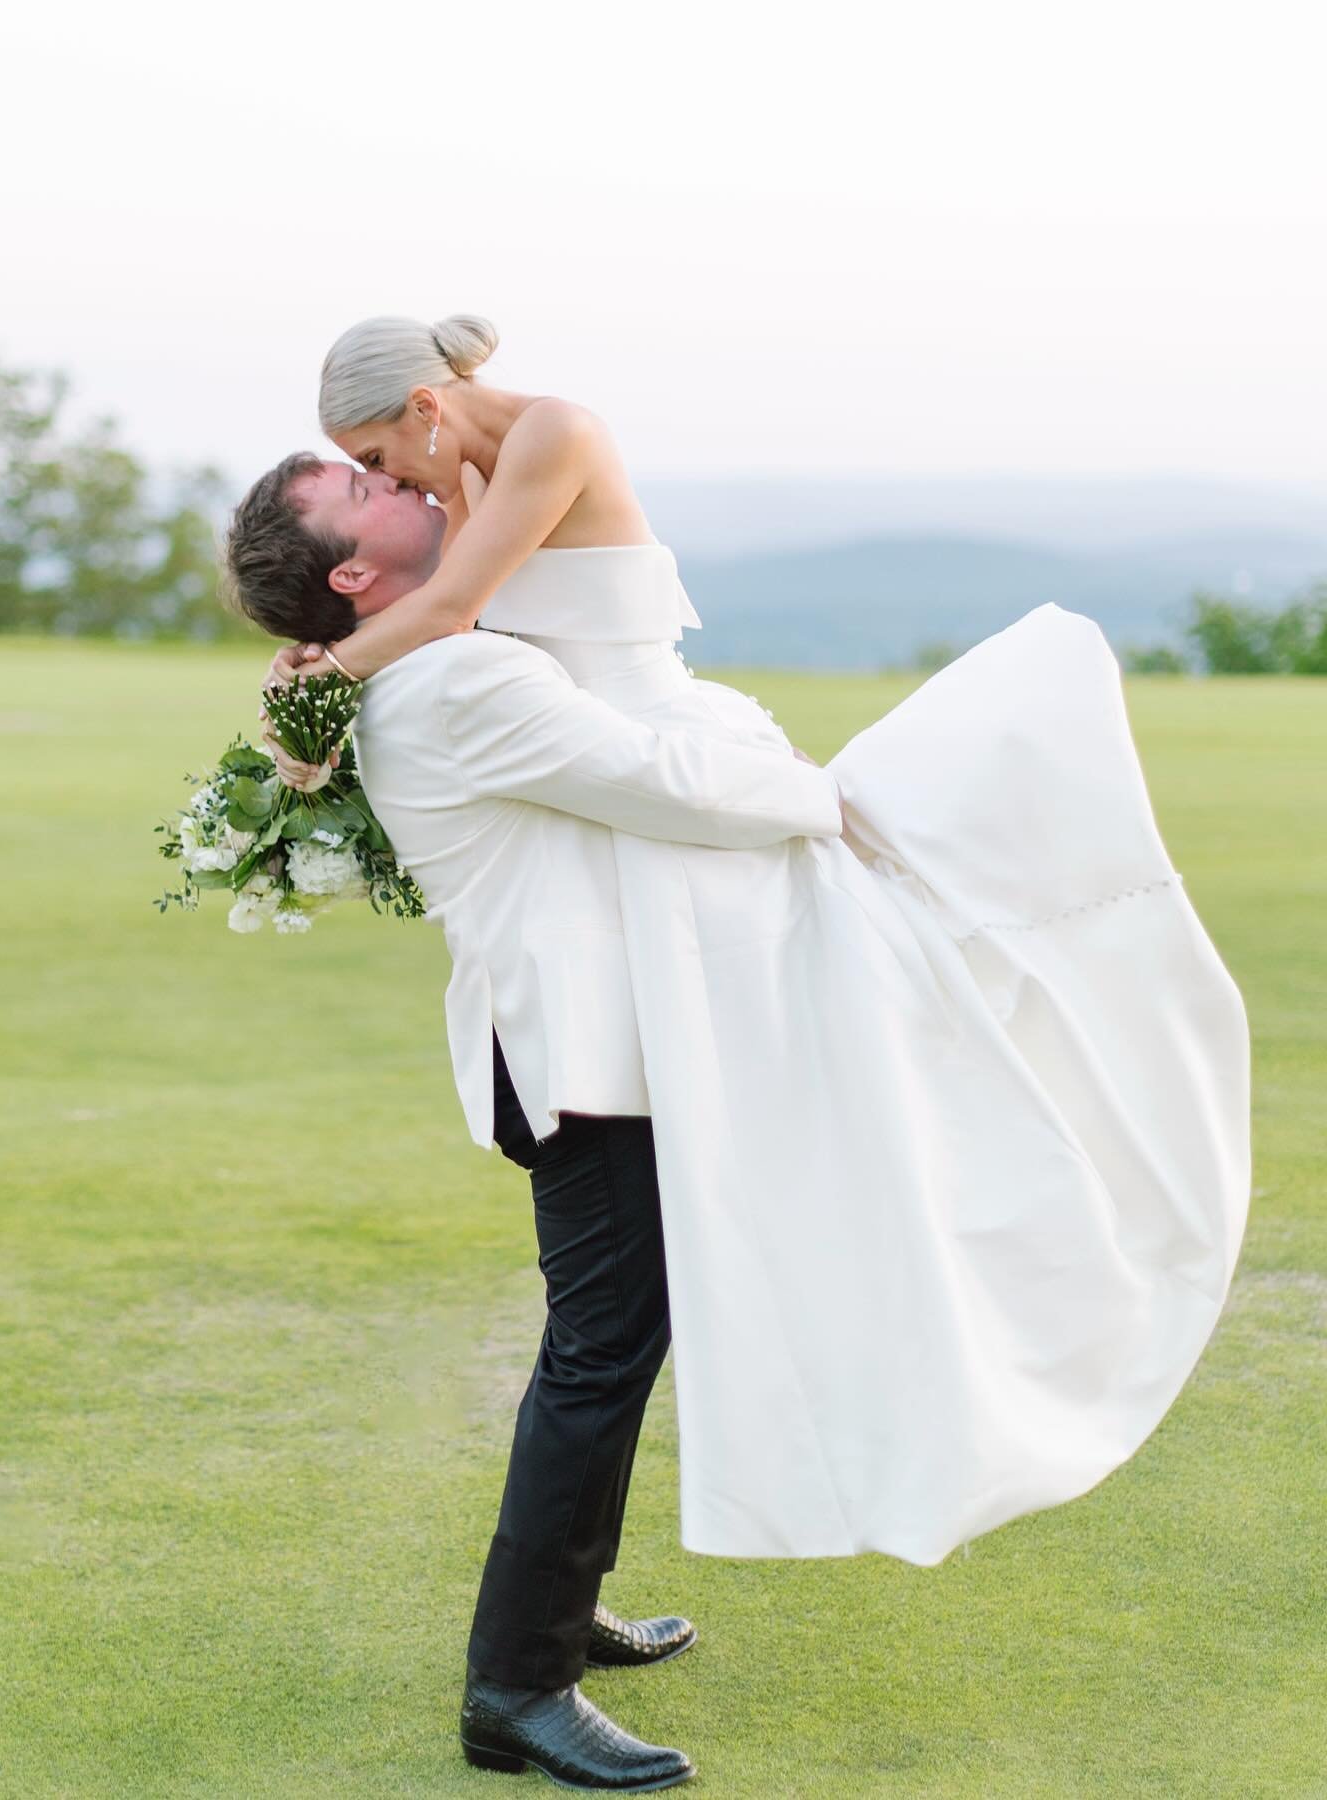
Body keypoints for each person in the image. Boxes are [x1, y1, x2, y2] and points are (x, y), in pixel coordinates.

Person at [225, 313, 1252, 1785]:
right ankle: (511, 1690)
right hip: (580, 1056)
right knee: (599, 1360)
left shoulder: (450, 642)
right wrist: (817, 796)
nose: (404, 490)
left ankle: (558, 1621)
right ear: (349, 574)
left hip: (598, 1038)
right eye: (375, 493)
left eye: (381, 464)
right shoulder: (456, 677)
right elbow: (669, 787)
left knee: (607, 1352)